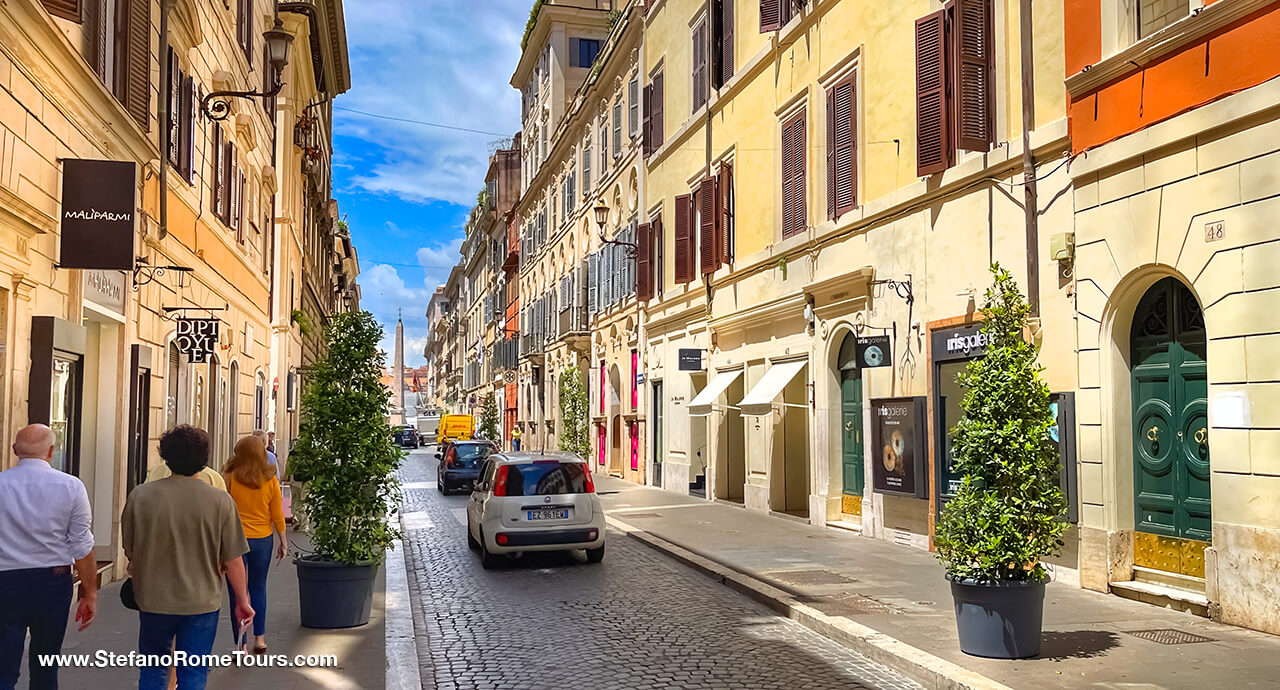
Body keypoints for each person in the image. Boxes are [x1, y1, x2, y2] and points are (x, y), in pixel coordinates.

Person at [122, 425, 252, 690]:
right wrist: (242, 599)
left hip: (153, 598)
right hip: (201, 601)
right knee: (193, 673)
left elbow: (130, 548)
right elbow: (233, 559)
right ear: (204, 459)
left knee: (153, 670)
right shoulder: (220, 501)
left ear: (166, 456)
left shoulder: (140, 496)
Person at [0, 424, 97, 690]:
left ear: (14, 451)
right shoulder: (71, 487)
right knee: (46, 662)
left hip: (5, 580)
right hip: (52, 582)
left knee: (3, 664)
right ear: (52, 451)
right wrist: (90, 593)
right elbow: (81, 544)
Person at [221, 436, 286, 654]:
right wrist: (283, 542)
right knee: (258, 587)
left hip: (234, 540)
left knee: (236, 593)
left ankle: (241, 644)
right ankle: (260, 639)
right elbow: (277, 514)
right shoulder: (270, 479)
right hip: (262, 539)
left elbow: (223, 508)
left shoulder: (229, 476)